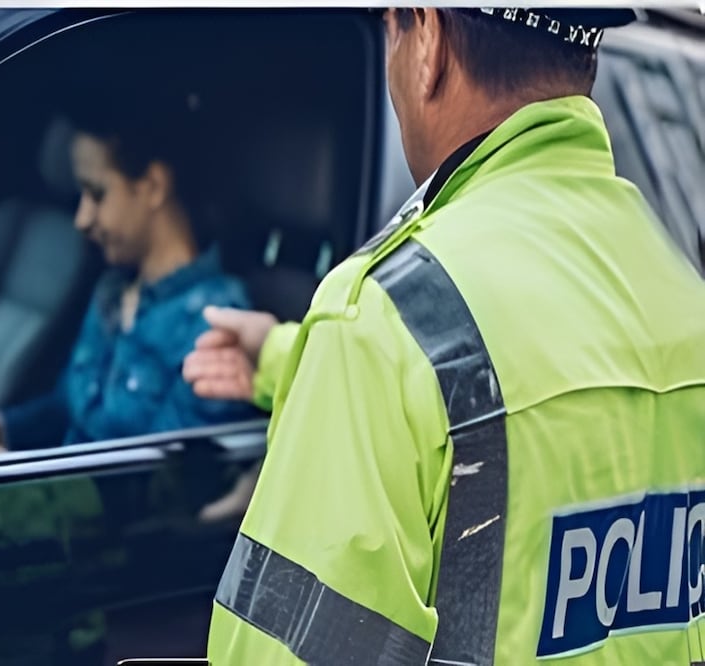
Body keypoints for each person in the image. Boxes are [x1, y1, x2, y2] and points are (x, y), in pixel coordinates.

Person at [189, 8, 705, 664]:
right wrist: (282, 355)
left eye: (389, 27)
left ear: (426, 37)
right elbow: (487, 380)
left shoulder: (382, 320)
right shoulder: (683, 300)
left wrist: (336, 343)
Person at [0, 90, 258, 454]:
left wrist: (0, 467)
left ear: (154, 186)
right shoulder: (111, 291)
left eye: (96, 194)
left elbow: (162, 488)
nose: (81, 219)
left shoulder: (214, 325)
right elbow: (67, 406)